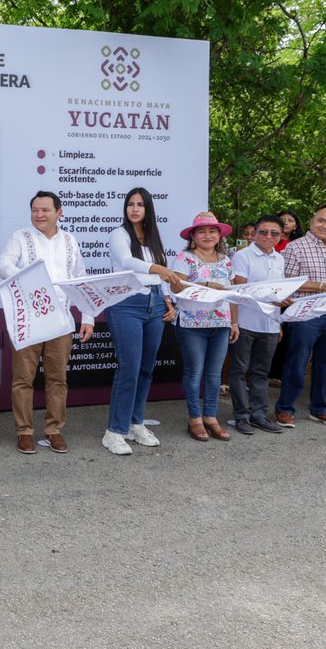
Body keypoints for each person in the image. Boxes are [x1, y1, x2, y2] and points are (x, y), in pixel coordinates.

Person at [0, 191, 93, 455]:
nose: (39, 215)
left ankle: (54, 430)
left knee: (57, 379)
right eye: (35, 210)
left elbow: (81, 279)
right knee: (22, 380)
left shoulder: (70, 241)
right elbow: (3, 265)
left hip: (61, 322)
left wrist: (88, 318)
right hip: (27, 321)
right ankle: (24, 432)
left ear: (59, 213)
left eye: (45, 210)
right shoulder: (20, 237)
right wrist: (31, 278)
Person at [102, 187, 188, 455]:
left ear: (148, 208)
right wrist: (158, 268)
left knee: (146, 369)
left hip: (154, 303)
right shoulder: (119, 234)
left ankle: (135, 424)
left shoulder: (154, 239)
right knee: (129, 369)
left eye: (140, 204)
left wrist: (167, 301)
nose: (135, 209)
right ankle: (114, 431)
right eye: (131, 204)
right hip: (126, 304)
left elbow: (161, 280)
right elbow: (127, 261)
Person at [276, 209, 326, 427]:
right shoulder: (296, 247)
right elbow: (287, 282)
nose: (325, 225)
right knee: (297, 361)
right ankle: (285, 408)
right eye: (321, 220)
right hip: (305, 312)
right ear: (312, 222)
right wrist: (322, 287)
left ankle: (320, 408)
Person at [172, 212, 238, 441]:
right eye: (201, 231)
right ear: (193, 236)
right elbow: (176, 287)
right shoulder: (185, 258)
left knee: (214, 374)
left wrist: (234, 322)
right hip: (191, 323)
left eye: (212, 231)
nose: (207, 235)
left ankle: (210, 417)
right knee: (194, 372)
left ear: (219, 235)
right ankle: (195, 419)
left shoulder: (226, 260)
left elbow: (232, 293)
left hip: (221, 323)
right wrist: (207, 284)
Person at [229, 215, 286, 434]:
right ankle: (241, 416)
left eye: (274, 233)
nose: (268, 236)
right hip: (246, 322)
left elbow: (280, 291)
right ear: (254, 233)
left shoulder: (279, 259)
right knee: (240, 371)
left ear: (280, 236)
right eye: (263, 232)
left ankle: (259, 415)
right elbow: (240, 290)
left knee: (261, 372)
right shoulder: (242, 256)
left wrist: (278, 323)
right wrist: (271, 298)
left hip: (270, 324)